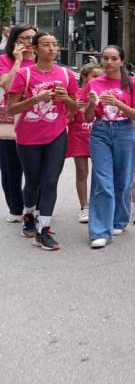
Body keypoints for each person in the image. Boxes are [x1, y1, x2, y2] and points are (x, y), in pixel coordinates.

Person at [6, 31, 78, 250]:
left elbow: (75, 108)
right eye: (46, 44)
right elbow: (11, 108)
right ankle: (29, 213)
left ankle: (43, 229)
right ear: (35, 50)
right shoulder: (25, 74)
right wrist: (36, 99)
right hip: (28, 136)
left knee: (50, 181)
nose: (52, 48)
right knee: (33, 181)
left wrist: (66, 99)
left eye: (55, 44)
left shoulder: (66, 74)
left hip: (56, 134)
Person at [83, 46, 135, 249]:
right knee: (103, 182)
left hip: (125, 131)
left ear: (121, 61)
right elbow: (87, 117)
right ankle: (100, 231)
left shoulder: (132, 83)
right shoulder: (93, 83)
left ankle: (119, 220)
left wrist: (119, 104)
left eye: (113, 58)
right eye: (105, 58)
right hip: (100, 131)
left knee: (124, 180)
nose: (108, 62)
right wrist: (92, 103)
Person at [0, 24, 36, 225]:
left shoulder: (43, 59)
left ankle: (35, 206)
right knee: (11, 167)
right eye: (24, 38)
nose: (29, 42)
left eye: (32, 37)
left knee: (36, 168)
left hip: (38, 119)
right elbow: (6, 84)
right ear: (15, 40)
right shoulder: (5, 60)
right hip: (11, 120)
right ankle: (15, 207)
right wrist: (19, 61)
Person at [68, 64, 102, 224]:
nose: (98, 79)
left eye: (100, 76)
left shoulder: (103, 93)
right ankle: (84, 207)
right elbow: (65, 119)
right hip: (78, 136)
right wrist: (74, 109)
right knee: (82, 172)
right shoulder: (75, 95)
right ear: (84, 77)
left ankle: (99, 204)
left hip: (98, 137)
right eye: (94, 76)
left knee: (101, 173)